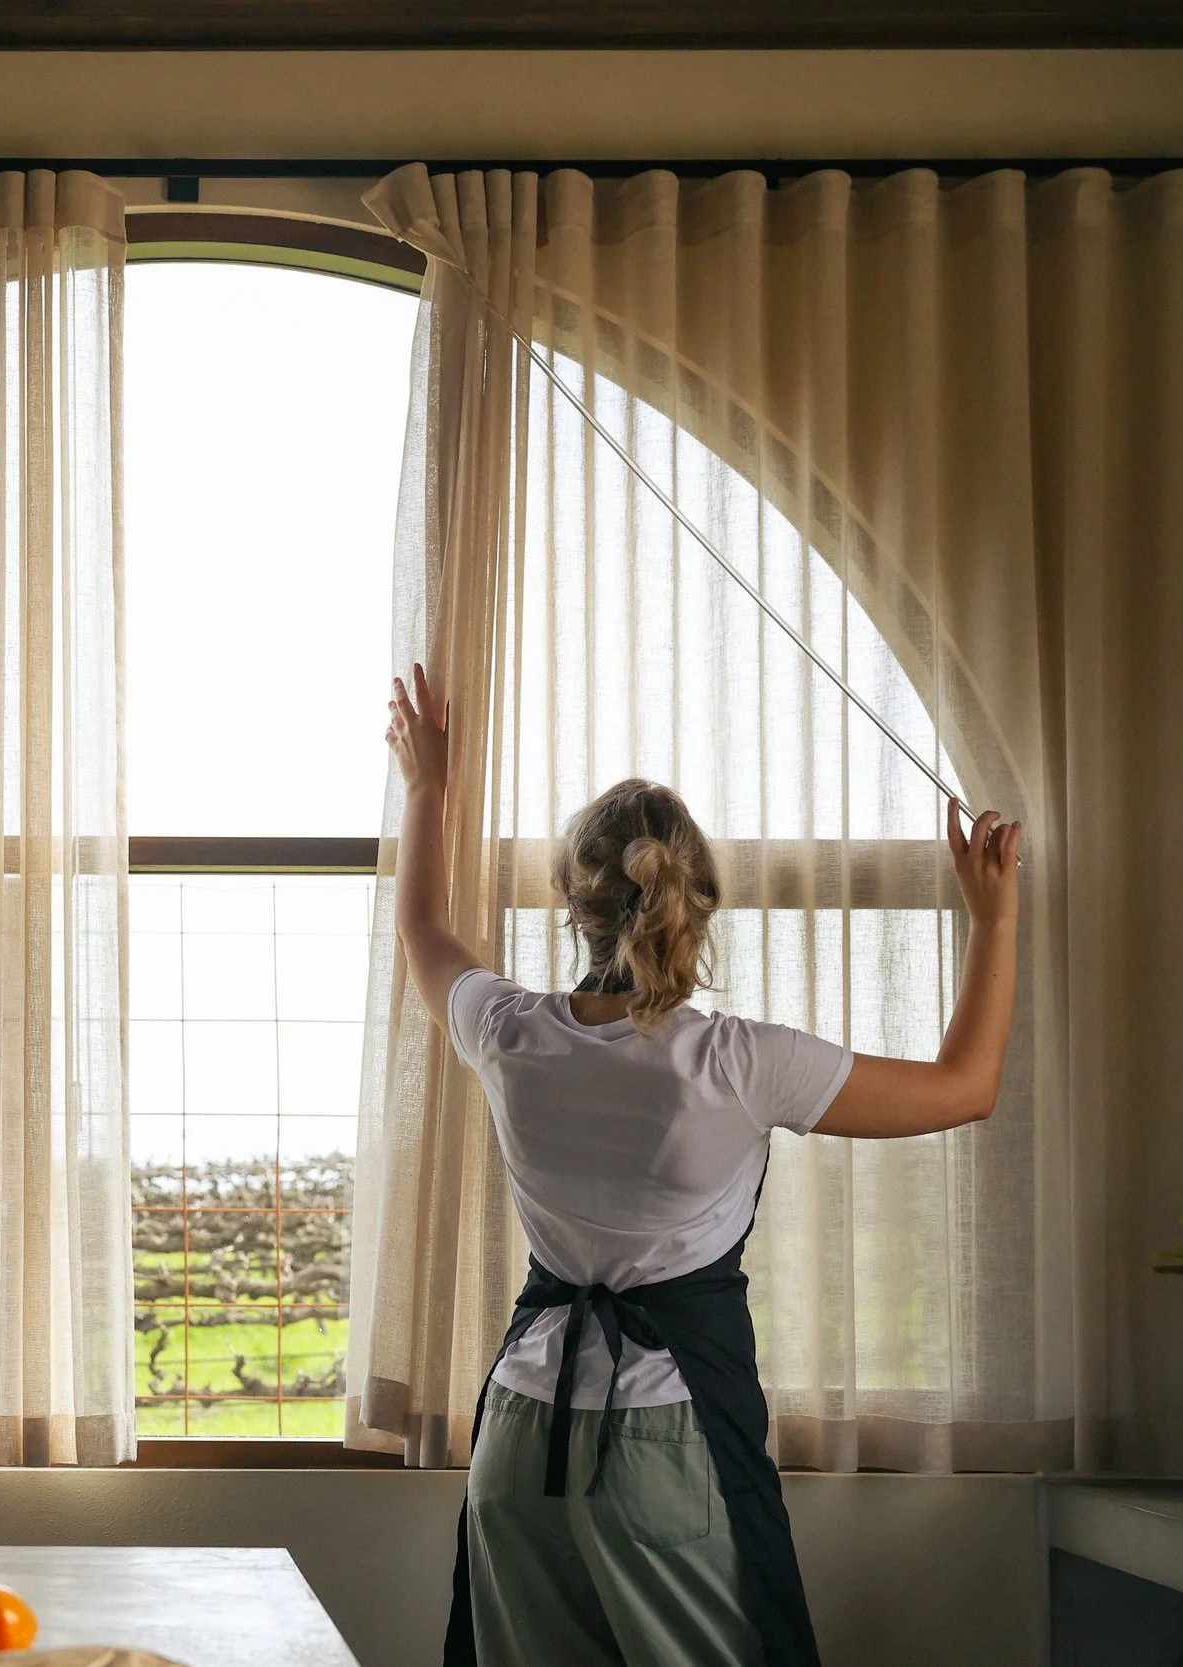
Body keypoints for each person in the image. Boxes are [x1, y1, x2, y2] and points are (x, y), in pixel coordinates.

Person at [383, 663, 1023, 1667]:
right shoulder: (740, 1061)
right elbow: (966, 1086)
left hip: (518, 1425)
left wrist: (427, 787)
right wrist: (992, 917)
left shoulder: (506, 1030)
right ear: (701, 902)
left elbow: (421, 926)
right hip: (662, 1434)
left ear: (571, 900)